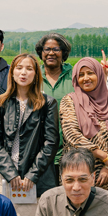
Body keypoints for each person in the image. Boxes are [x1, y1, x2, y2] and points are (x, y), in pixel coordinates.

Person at [0, 53, 58, 216]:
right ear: (12, 72)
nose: (23, 72)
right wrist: (11, 174)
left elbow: (50, 142)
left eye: (29, 68)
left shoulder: (47, 103)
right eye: (19, 68)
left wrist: (30, 176)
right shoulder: (0, 103)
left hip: (33, 179)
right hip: (5, 177)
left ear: (36, 74)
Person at [59, 57, 108, 199]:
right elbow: (72, 135)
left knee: (107, 214)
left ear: (99, 75)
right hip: (79, 171)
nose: (86, 78)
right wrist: (103, 156)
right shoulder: (70, 100)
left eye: (90, 73)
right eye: (81, 75)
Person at [35, 32, 75, 193]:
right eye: (47, 49)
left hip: (69, 150)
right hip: (40, 152)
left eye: (56, 49)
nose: (51, 53)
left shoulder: (74, 76)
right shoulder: (33, 76)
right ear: (41, 52)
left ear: (64, 53)